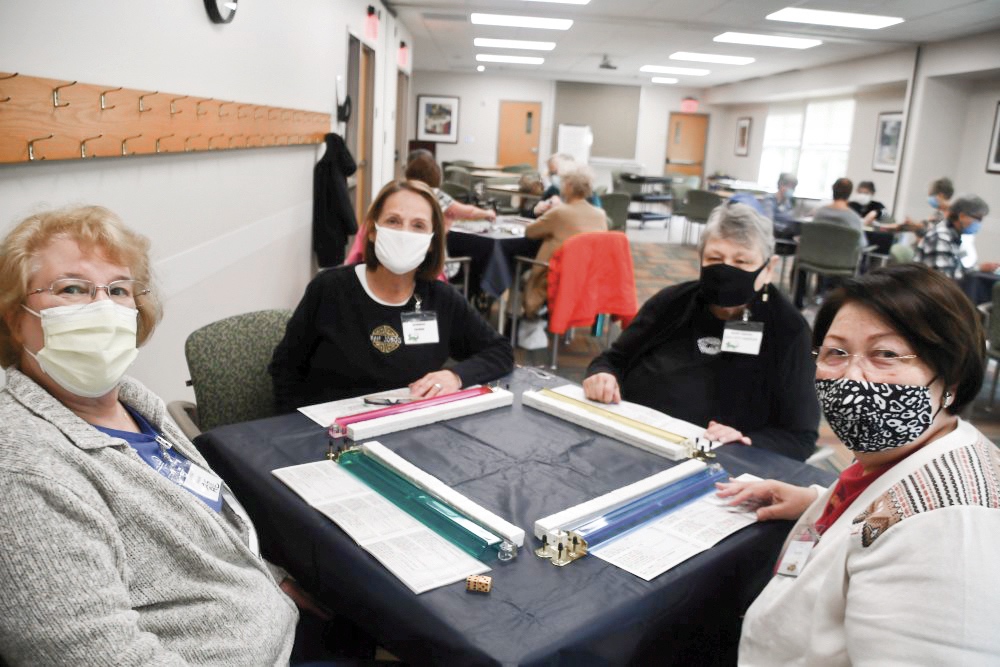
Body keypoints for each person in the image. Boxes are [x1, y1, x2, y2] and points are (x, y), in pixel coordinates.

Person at [0, 206, 299, 663]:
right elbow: (100, 654)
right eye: (72, 289)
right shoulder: (25, 475)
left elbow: (201, 529)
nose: (102, 307)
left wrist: (270, 579)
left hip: (272, 622)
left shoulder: (134, 404)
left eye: (118, 289)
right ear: (13, 317)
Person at [718, 263, 1000, 664]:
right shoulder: (914, 452)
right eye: (836, 352)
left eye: (885, 354)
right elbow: (895, 506)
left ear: (950, 379)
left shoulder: (948, 533)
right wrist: (822, 501)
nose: (852, 378)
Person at [583, 203, 819, 461]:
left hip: (713, 461)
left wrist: (747, 441)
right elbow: (612, 359)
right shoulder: (672, 302)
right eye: (715, 259)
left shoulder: (788, 330)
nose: (726, 269)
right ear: (700, 258)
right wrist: (602, 375)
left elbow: (800, 437)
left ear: (769, 268)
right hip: (630, 436)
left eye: (742, 261)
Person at [270, 180, 513, 412]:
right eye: (393, 221)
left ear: (431, 241)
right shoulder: (329, 289)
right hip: (328, 435)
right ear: (373, 230)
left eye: (418, 225)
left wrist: (455, 376)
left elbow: (500, 352)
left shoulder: (441, 299)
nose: (404, 233)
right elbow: (285, 369)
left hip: (405, 432)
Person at [521, 166, 609, 319]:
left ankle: (519, 319)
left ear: (568, 186)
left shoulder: (560, 212)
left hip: (555, 275)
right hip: (588, 276)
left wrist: (539, 210)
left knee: (519, 267)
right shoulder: (600, 215)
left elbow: (530, 232)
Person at [792, 178, 866, 309]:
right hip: (843, 265)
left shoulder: (820, 212)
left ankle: (798, 302)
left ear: (833, 191)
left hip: (813, 260)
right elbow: (862, 244)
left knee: (800, 258)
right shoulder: (853, 217)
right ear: (849, 194)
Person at [914, 193, 989, 282]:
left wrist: (978, 268)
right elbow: (943, 279)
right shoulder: (941, 237)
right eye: (978, 219)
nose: (979, 224)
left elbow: (955, 270)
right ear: (962, 216)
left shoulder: (953, 237)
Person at [761, 172, 798, 238]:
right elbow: (768, 222)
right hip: (774, 234)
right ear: (780, 185)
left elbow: (790, 219)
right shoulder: (770, 200)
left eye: (793, 187)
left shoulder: (788, 202)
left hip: (787, 234)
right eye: (789, 186)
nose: (791, 190)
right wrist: (784, 228)